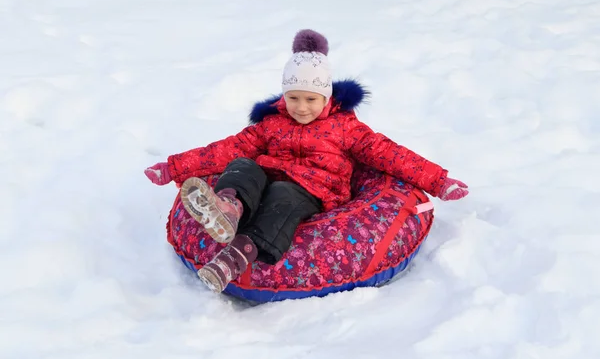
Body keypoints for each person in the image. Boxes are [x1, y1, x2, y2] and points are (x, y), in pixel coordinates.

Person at [144, 29, 469, 293]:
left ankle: (236, 256)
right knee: (242, 166)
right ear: (283, 96)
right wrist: (174, 167)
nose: (301, 107)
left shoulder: (345, 128)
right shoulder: (271, 124)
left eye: (310, 99)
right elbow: (227, 148)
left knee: (283, 198)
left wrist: (439, 181)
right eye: (293, 98)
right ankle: (228, 208)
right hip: (268, 178)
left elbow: (391, 155)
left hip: (312, 189)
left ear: (326, 97)